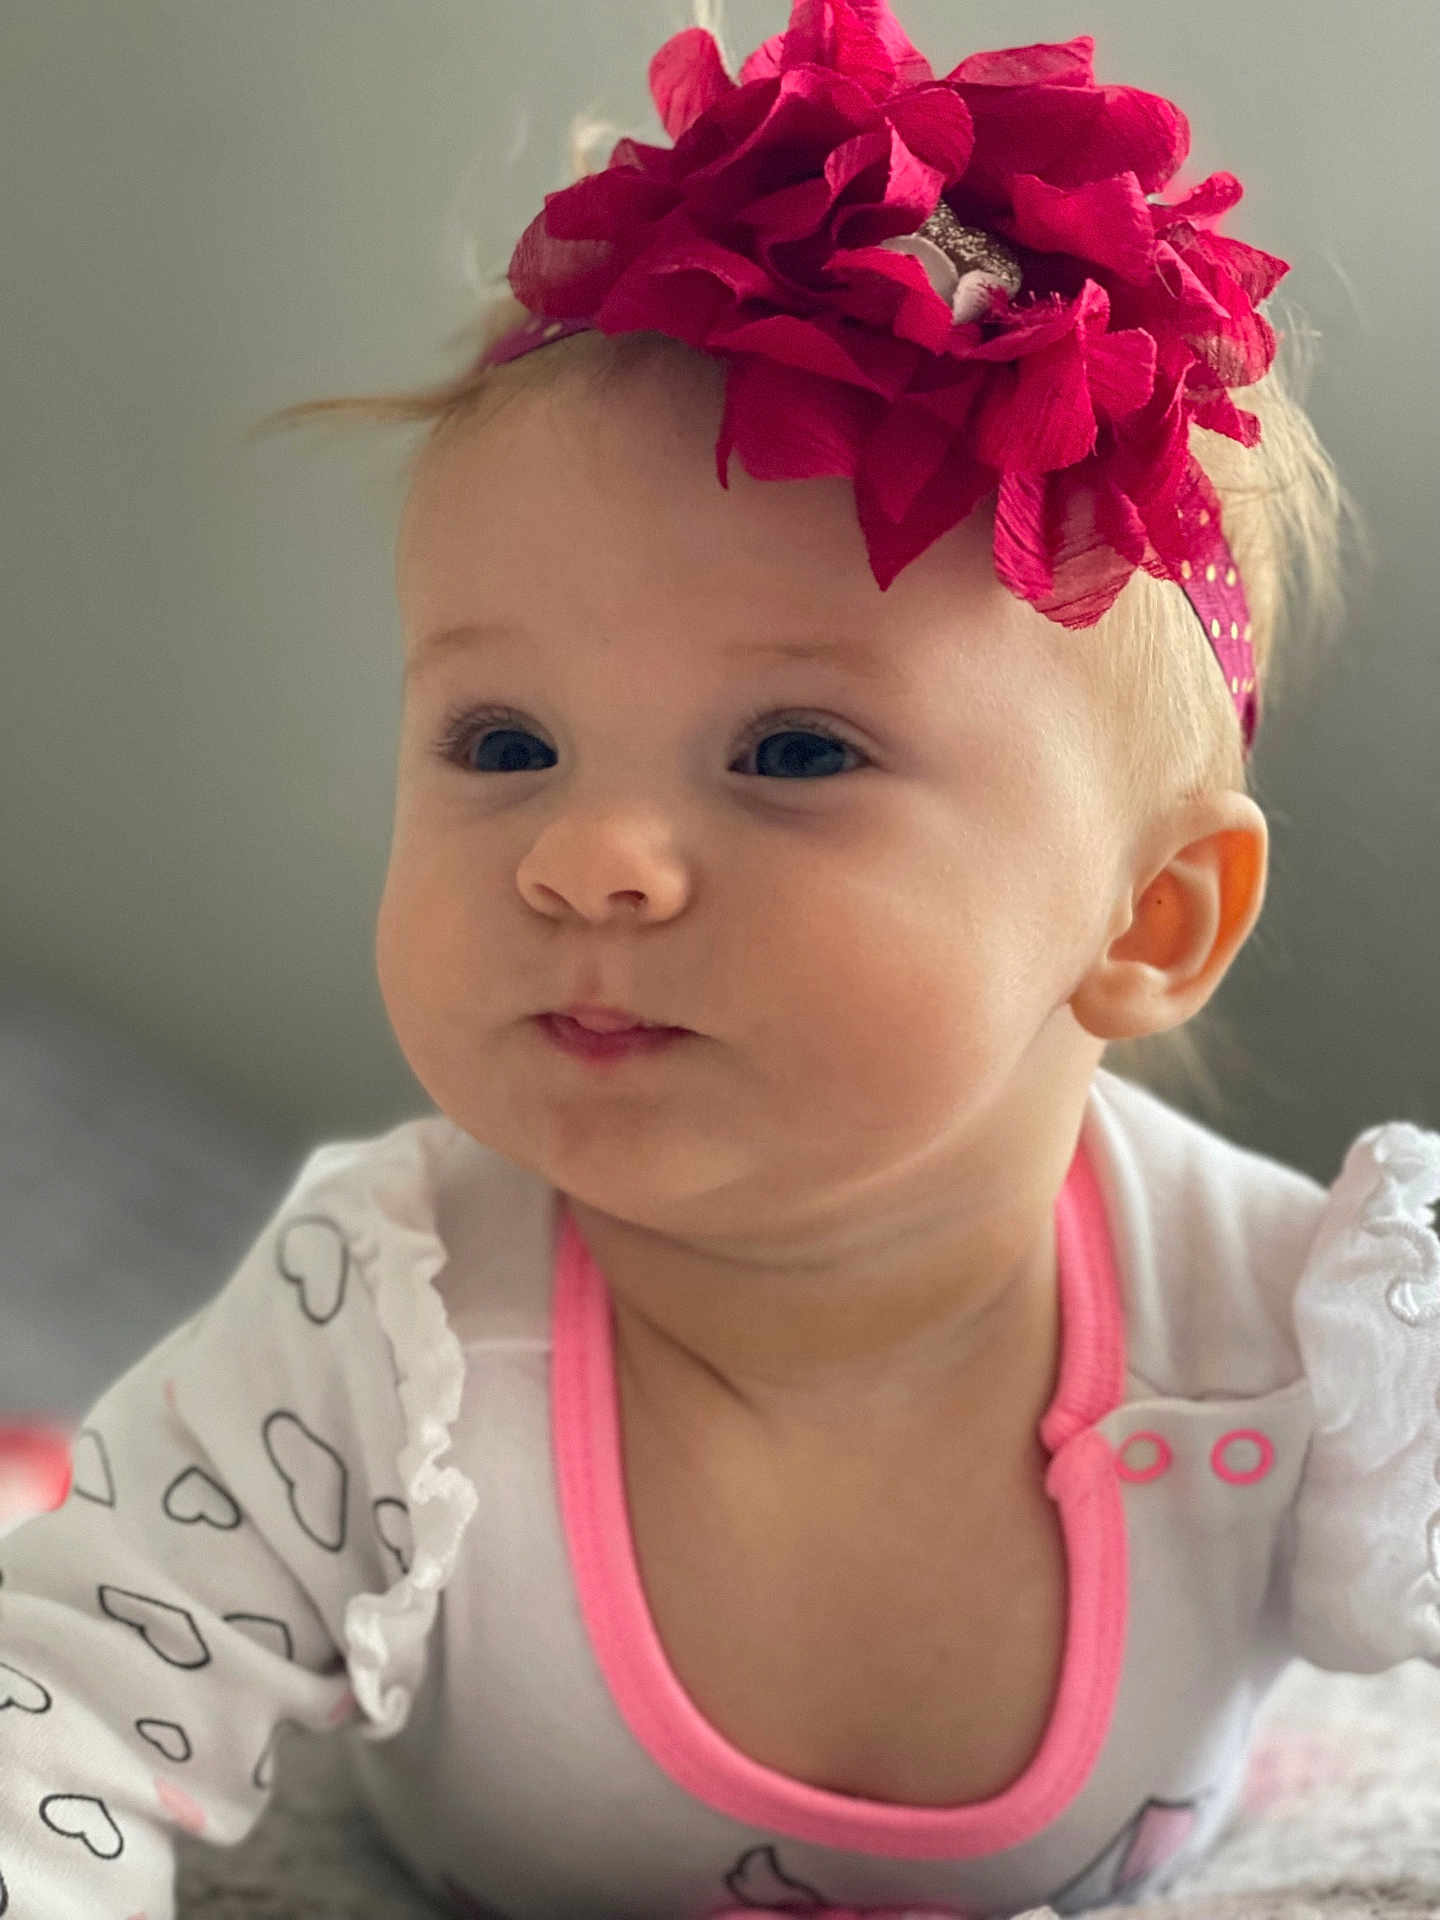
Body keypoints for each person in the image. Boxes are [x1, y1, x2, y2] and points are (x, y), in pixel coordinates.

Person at [2, 5, 1435, 1917]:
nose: (587, 857)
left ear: (1148, 920)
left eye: (793, 754)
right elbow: (64, 1713)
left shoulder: (1282, 1337)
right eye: (504, 745)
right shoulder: (391, 1320)